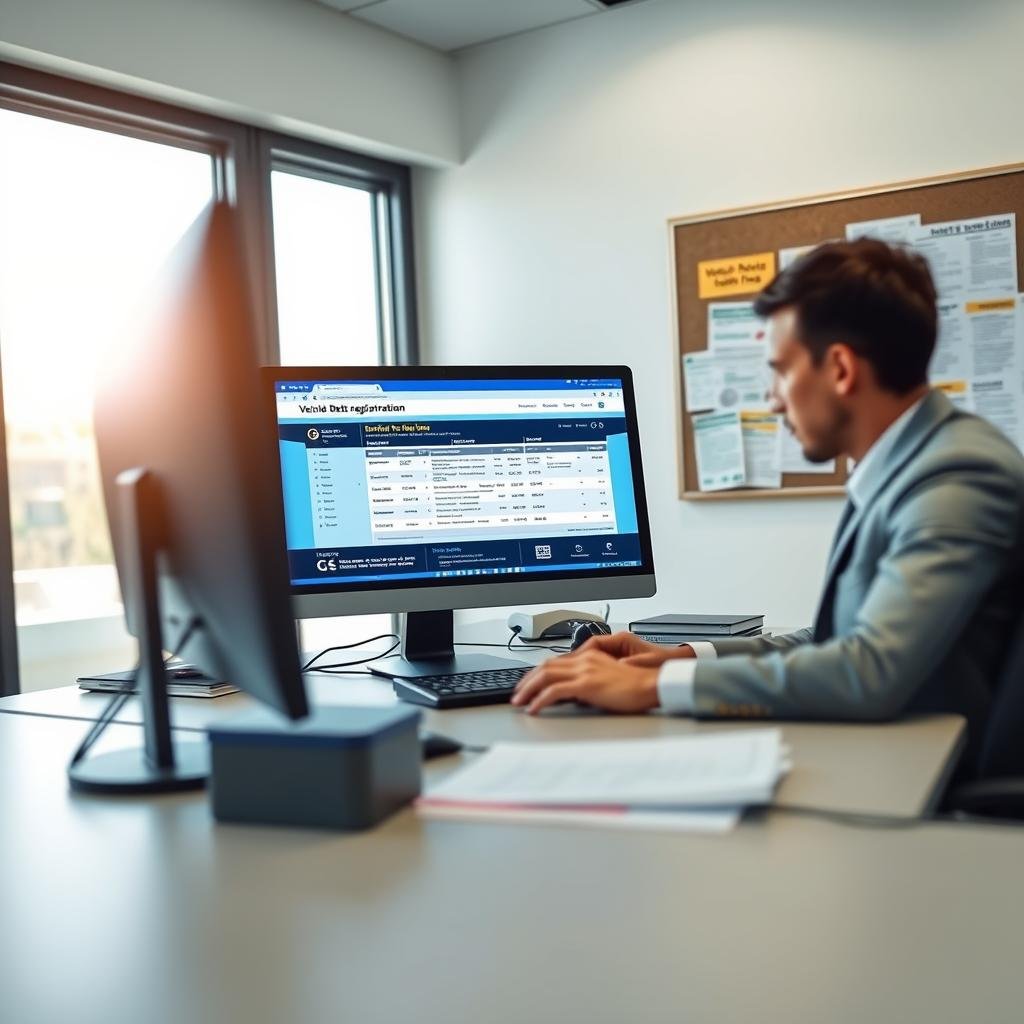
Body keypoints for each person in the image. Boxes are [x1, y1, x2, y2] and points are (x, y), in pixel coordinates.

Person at [512, 238, 1024, 764]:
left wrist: (653, 689)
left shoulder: (958, 476)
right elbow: (833, 642)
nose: (773, 397)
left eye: (780, 369)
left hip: (936, 790)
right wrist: (676, 659)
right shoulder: (911, 462)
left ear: (841, 370)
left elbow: (867, 671)